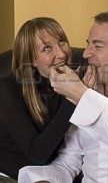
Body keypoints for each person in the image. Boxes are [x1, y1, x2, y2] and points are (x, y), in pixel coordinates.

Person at [18, 10, 108, 183]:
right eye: (88, 44)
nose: (85, 54)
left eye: (97, 46)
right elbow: (68, 161)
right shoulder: (90, 89)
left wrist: (83, 98)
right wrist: (45, 180)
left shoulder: (86, 95)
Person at [0, 17, 85, 183]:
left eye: (62, 42)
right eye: (47, 48)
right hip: (13, 176)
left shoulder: (70, 78)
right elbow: (38, 155)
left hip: (54, 170)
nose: (61, 54)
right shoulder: (6, 89)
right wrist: (74, 97)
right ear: (31, 59)